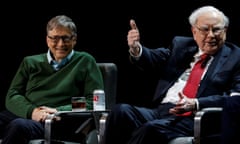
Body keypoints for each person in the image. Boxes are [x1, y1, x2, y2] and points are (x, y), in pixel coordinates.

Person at [103, 5, 240, 144]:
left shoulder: (235, 57)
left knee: (151, 129)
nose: (211, 35)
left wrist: (196, 103)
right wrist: (136, 48)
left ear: (225, 31)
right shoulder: (182, 46)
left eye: (216, 30)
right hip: (162, 111)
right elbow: (154, 58)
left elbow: (235, 98)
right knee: (120, 111)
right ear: (194, 31)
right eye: (205, 29)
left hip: (195, 117)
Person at [0, 15, 104, 144]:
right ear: (47, 40)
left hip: (58, 122)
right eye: (55, 38)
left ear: (74, 39)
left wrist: (59, 110)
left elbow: (92, 102)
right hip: (28, 114)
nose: (60, 44)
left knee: (19, 126)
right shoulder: (30, 62)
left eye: (65, 38)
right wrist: (32, 112)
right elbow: (12, 95)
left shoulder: (85, 61)